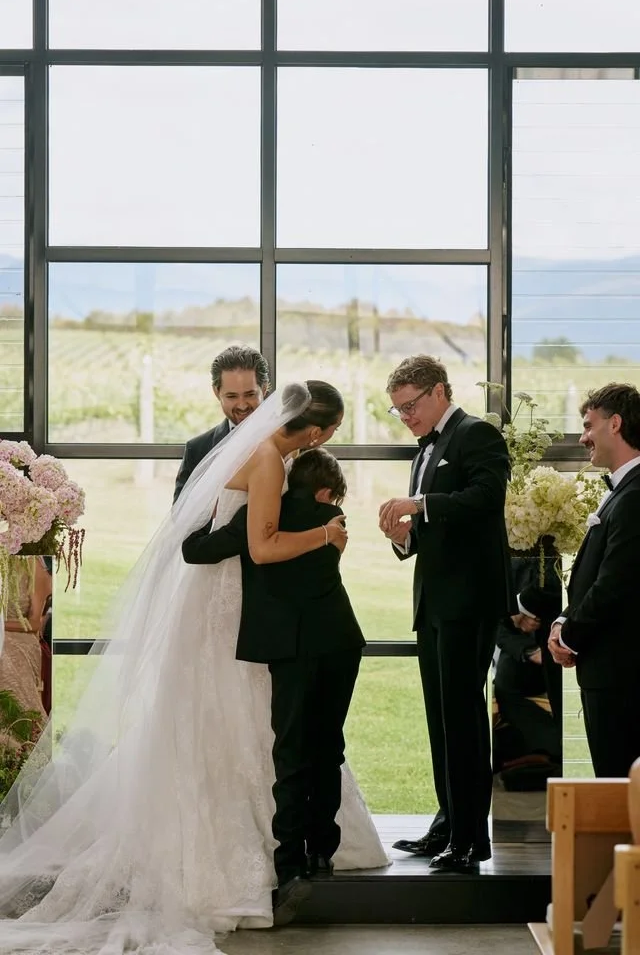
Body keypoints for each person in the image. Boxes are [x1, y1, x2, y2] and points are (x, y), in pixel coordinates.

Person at [0, 381, 384, 955]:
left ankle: (289, 840)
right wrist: (328, 533)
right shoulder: (268, 461)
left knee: (243, 713)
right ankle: (268, 849)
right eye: (328, 433)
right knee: (241, 711)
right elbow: (261, 547)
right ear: (314, 431)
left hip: (230, 593)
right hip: (230, 600)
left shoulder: (260, 454)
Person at [183, 447, 383, 924]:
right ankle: (322, 851)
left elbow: (195, 551)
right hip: (338, 641)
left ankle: (290, 863)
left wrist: (210, 513)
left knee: (290, 751)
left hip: (290, 649)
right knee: (328, 746)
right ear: (326, 491)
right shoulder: (332, 520)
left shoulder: (258, 518)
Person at [378, 355, 513, 873]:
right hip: (433, 604)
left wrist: (420, 505)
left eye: (411, 406)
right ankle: (448, 823)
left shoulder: (477, 434)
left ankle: (471, 839)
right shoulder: (425, 450)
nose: (406, 417)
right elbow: (430, 528)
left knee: (461, 719)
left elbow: (486, 497)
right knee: (440, 720)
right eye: (398, 410)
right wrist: (403, 536)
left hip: (468, 602)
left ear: (439, 392)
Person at [548, 382, 640, 778]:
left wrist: (568, 637)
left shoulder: (634, 496)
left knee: (619, 787)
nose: (583, 437)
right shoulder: (624, 491)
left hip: (622, 674)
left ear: (615, 424)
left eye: (589, 425)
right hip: (610, 668)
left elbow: (615, 585)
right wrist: (563, 620)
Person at [493, 540, 563, 789]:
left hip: (559, 639)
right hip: (521, 648)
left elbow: (554, 587)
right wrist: (527, 650)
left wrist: (524, 608)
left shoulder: (554, 543)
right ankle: (553, 747)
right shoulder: (501, 550)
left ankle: (554, 751)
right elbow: (494, 617)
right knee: (504, 684)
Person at [173, 344, 270, 503]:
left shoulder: (289, 440)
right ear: (217, 392)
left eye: (250, 394)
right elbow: (180, 513)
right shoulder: (197, 449)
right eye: (232, 396)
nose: (242, 405)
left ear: (264, 389)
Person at [0, 555, 52, 726]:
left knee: (5, 658)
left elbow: (35, 623)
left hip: (19, 634)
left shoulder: (31, 564)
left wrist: (2, 625)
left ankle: (16, 730)